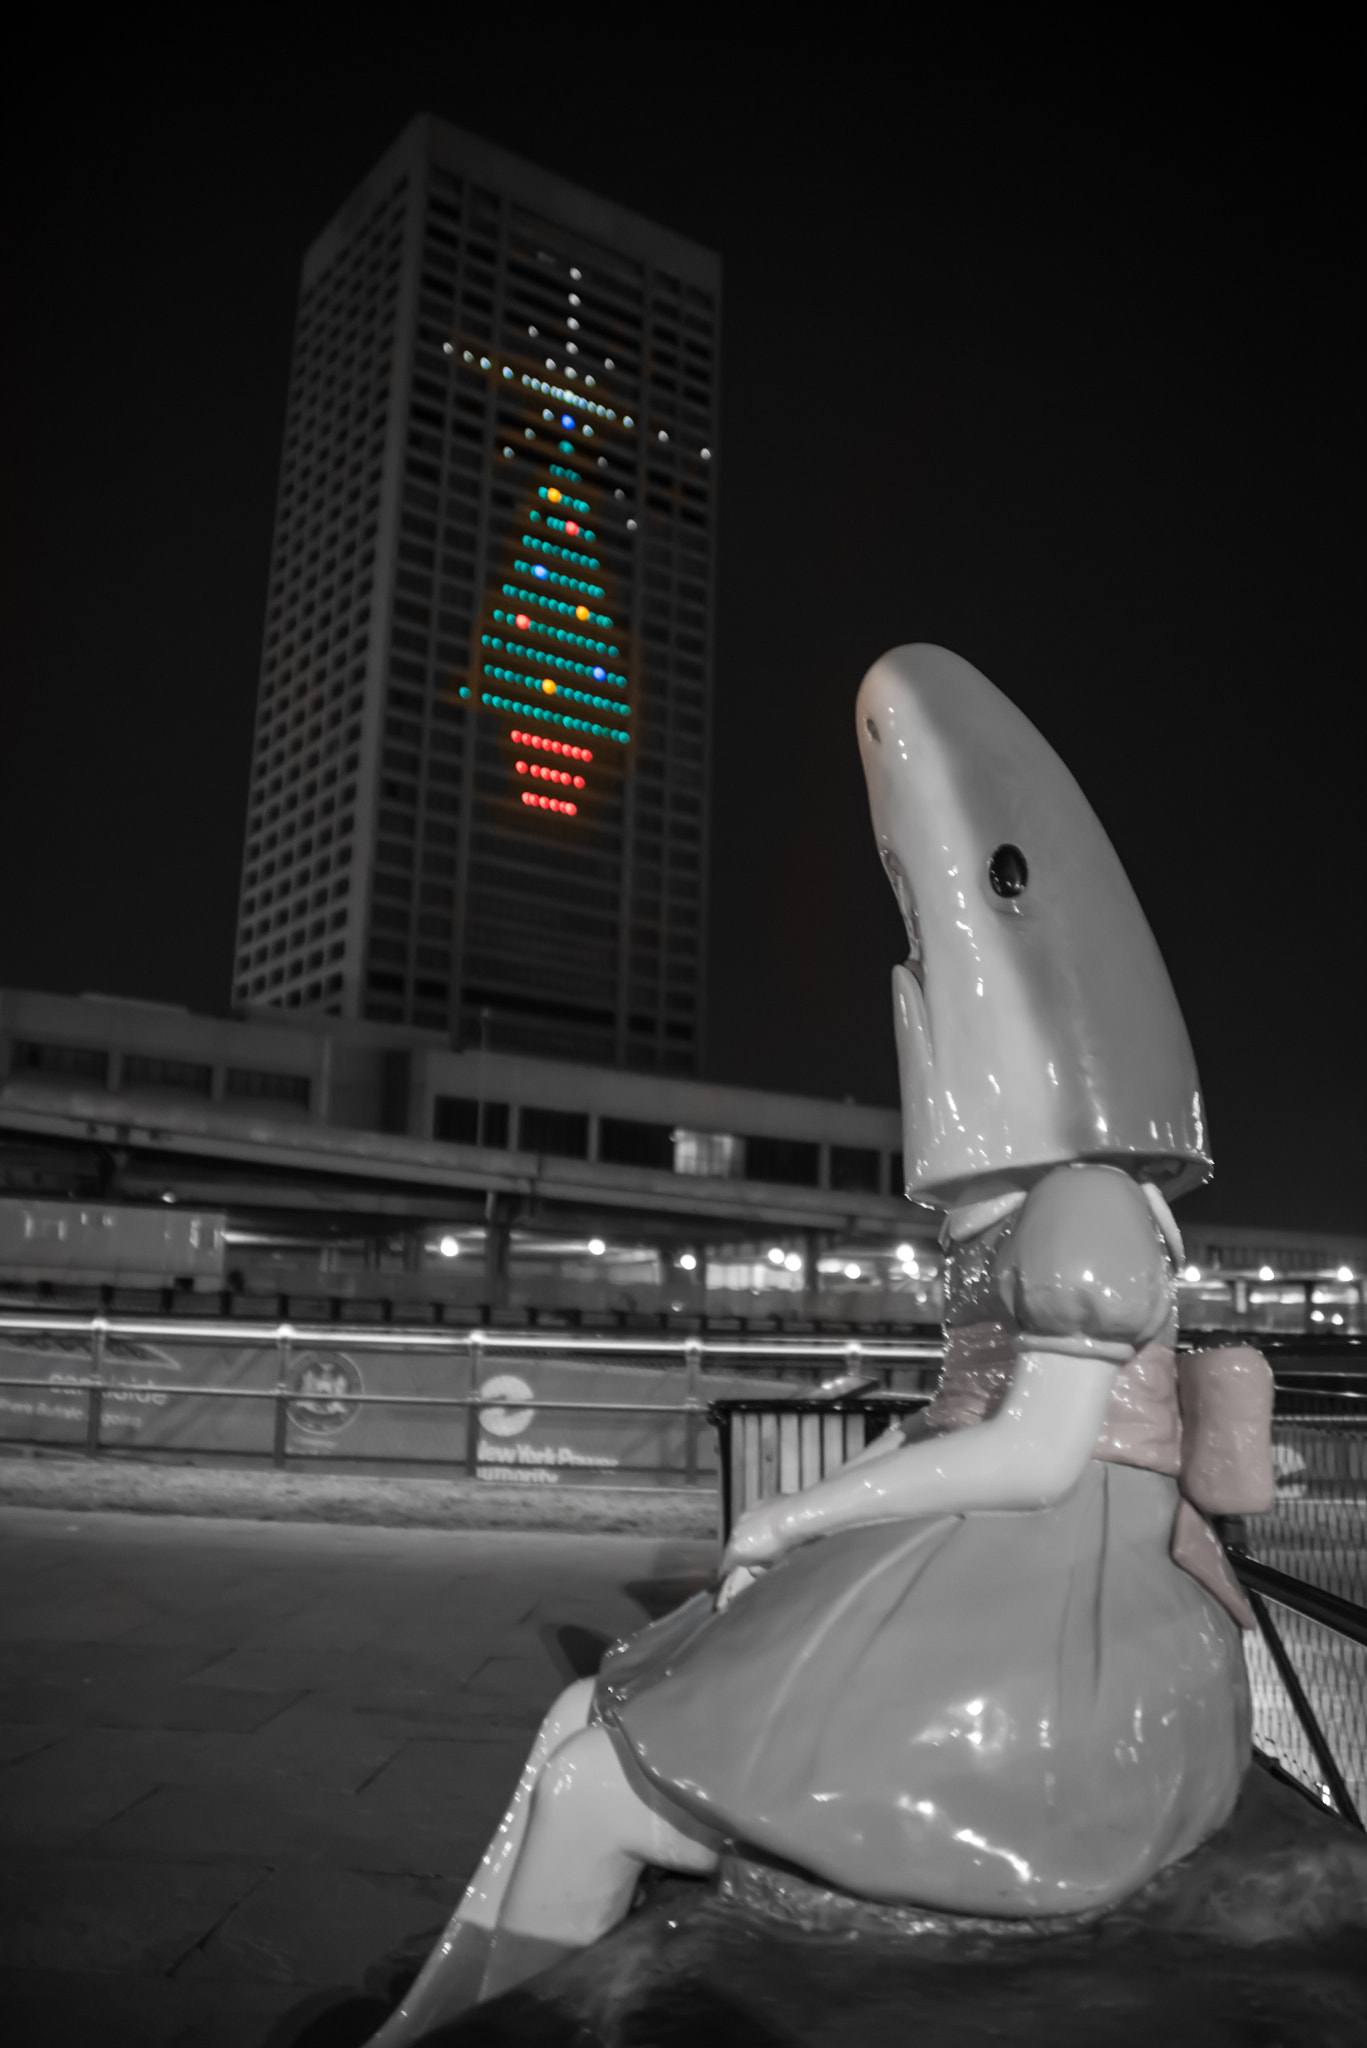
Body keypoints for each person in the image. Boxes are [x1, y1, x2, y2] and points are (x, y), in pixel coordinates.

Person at [367, 645, 1273, 2040]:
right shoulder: (1016, 1221)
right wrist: (830, 1515)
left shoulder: (1086, 1206)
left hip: (1061, 1605)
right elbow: (967, 1416)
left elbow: (1035, 1457)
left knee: (603, 1781)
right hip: (1008, 1554)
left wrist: (806, 1510)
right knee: (581, 1735)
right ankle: (451, 2013)